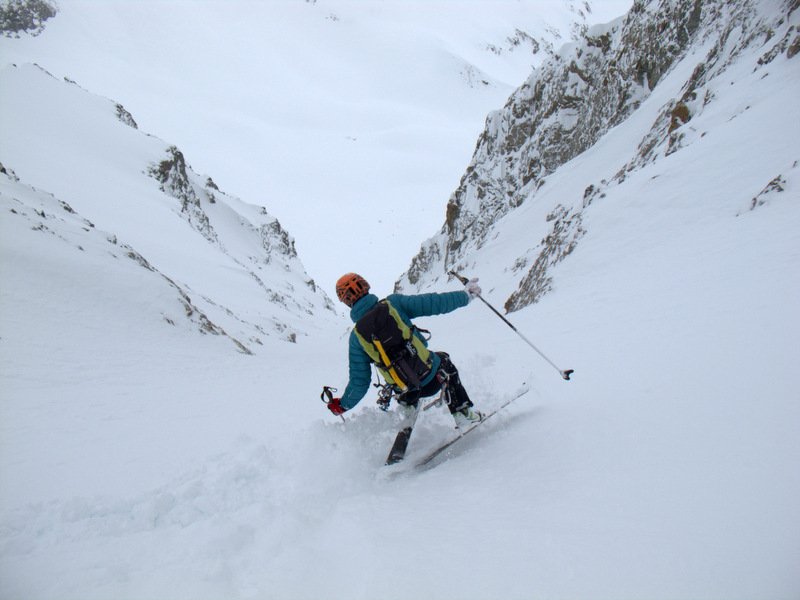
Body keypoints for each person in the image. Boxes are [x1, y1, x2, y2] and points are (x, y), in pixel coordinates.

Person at [326, 273, 484, 430]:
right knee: (444, 361)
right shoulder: (393, 304)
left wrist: (342, 405)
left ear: (346, 302)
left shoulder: (356, 338)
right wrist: (465, 296)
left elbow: (359, 382)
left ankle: (408, 406)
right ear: (366, 285)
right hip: (430, 380)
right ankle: (462, 414)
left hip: (403, 390)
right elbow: (433, 303)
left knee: (398, 381)